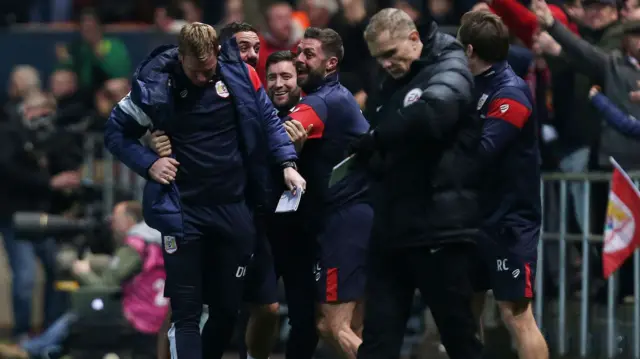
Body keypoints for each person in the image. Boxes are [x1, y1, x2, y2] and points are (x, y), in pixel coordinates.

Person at [103, 22, 305, 359]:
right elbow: (115, 133)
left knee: (227, 310)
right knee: (186, 314)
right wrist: (149, 163)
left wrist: (287, 162)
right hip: (184, 212)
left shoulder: (237, 75)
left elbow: (268, 120)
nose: (203, 78)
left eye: (209, 69)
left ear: (217, 55)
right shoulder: (154, 85)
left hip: (234, 209)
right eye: (196, 72)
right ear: (181, 57)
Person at [153, 50, 318, 359]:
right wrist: (153, 148)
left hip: (264, 227)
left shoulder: (292, 117)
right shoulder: (200, 96)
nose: (251, 55)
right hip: (214, 217)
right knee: (188, 305)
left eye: (287, 77)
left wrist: (288, 157)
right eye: (243, 48)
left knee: (249, 309)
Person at [352, 8, 484, 359]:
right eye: (379, 57)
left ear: (414, 39)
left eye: (391, 54)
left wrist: (378, 139)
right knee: (378, 339)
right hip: (393, 225)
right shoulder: (391, 82)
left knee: (458, 337)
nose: (385, 64)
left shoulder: (450, 64)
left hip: (438, 224)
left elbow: (435, 114)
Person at [457, 10, 548, 359]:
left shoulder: (511, 92)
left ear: (468, 50)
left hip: (509, 223)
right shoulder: (470, 85)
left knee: (517, 314)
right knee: (466, 312)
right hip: (473, 217)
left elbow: (483, 152)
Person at [284, 27, 371, 359]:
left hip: (344, 224)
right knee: (348, 328)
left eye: (309, 54)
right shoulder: (338, 97)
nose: (300, 60)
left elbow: (275, 138)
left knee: (334, 326)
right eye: (299, 52)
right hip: (356, 218)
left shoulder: (322, 102)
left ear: (331, 63)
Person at [0, 201, 167, 359]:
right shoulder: (157, 241)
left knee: (79, 312)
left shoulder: (135, 244)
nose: (111, 224)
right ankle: (44, 348)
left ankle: (30, 350)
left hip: (136, 317)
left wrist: (81, 271)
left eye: (116, 219)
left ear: (129, 221)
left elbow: (105, 289)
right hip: (157, 317)